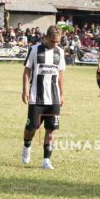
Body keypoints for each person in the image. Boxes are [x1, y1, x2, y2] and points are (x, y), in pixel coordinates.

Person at [21, 25, 66, 170]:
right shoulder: (34, 49)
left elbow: (60, 74)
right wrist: (25, 90)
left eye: (58, 41)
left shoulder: (60, 52)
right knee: (31, 128)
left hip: (54, 98)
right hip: (36, 97)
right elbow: (27, 70)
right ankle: (27, 145)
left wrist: (62, 94)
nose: (55, 44)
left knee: (51, 129)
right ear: (45, 37)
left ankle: (46, 160)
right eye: (53, 41)